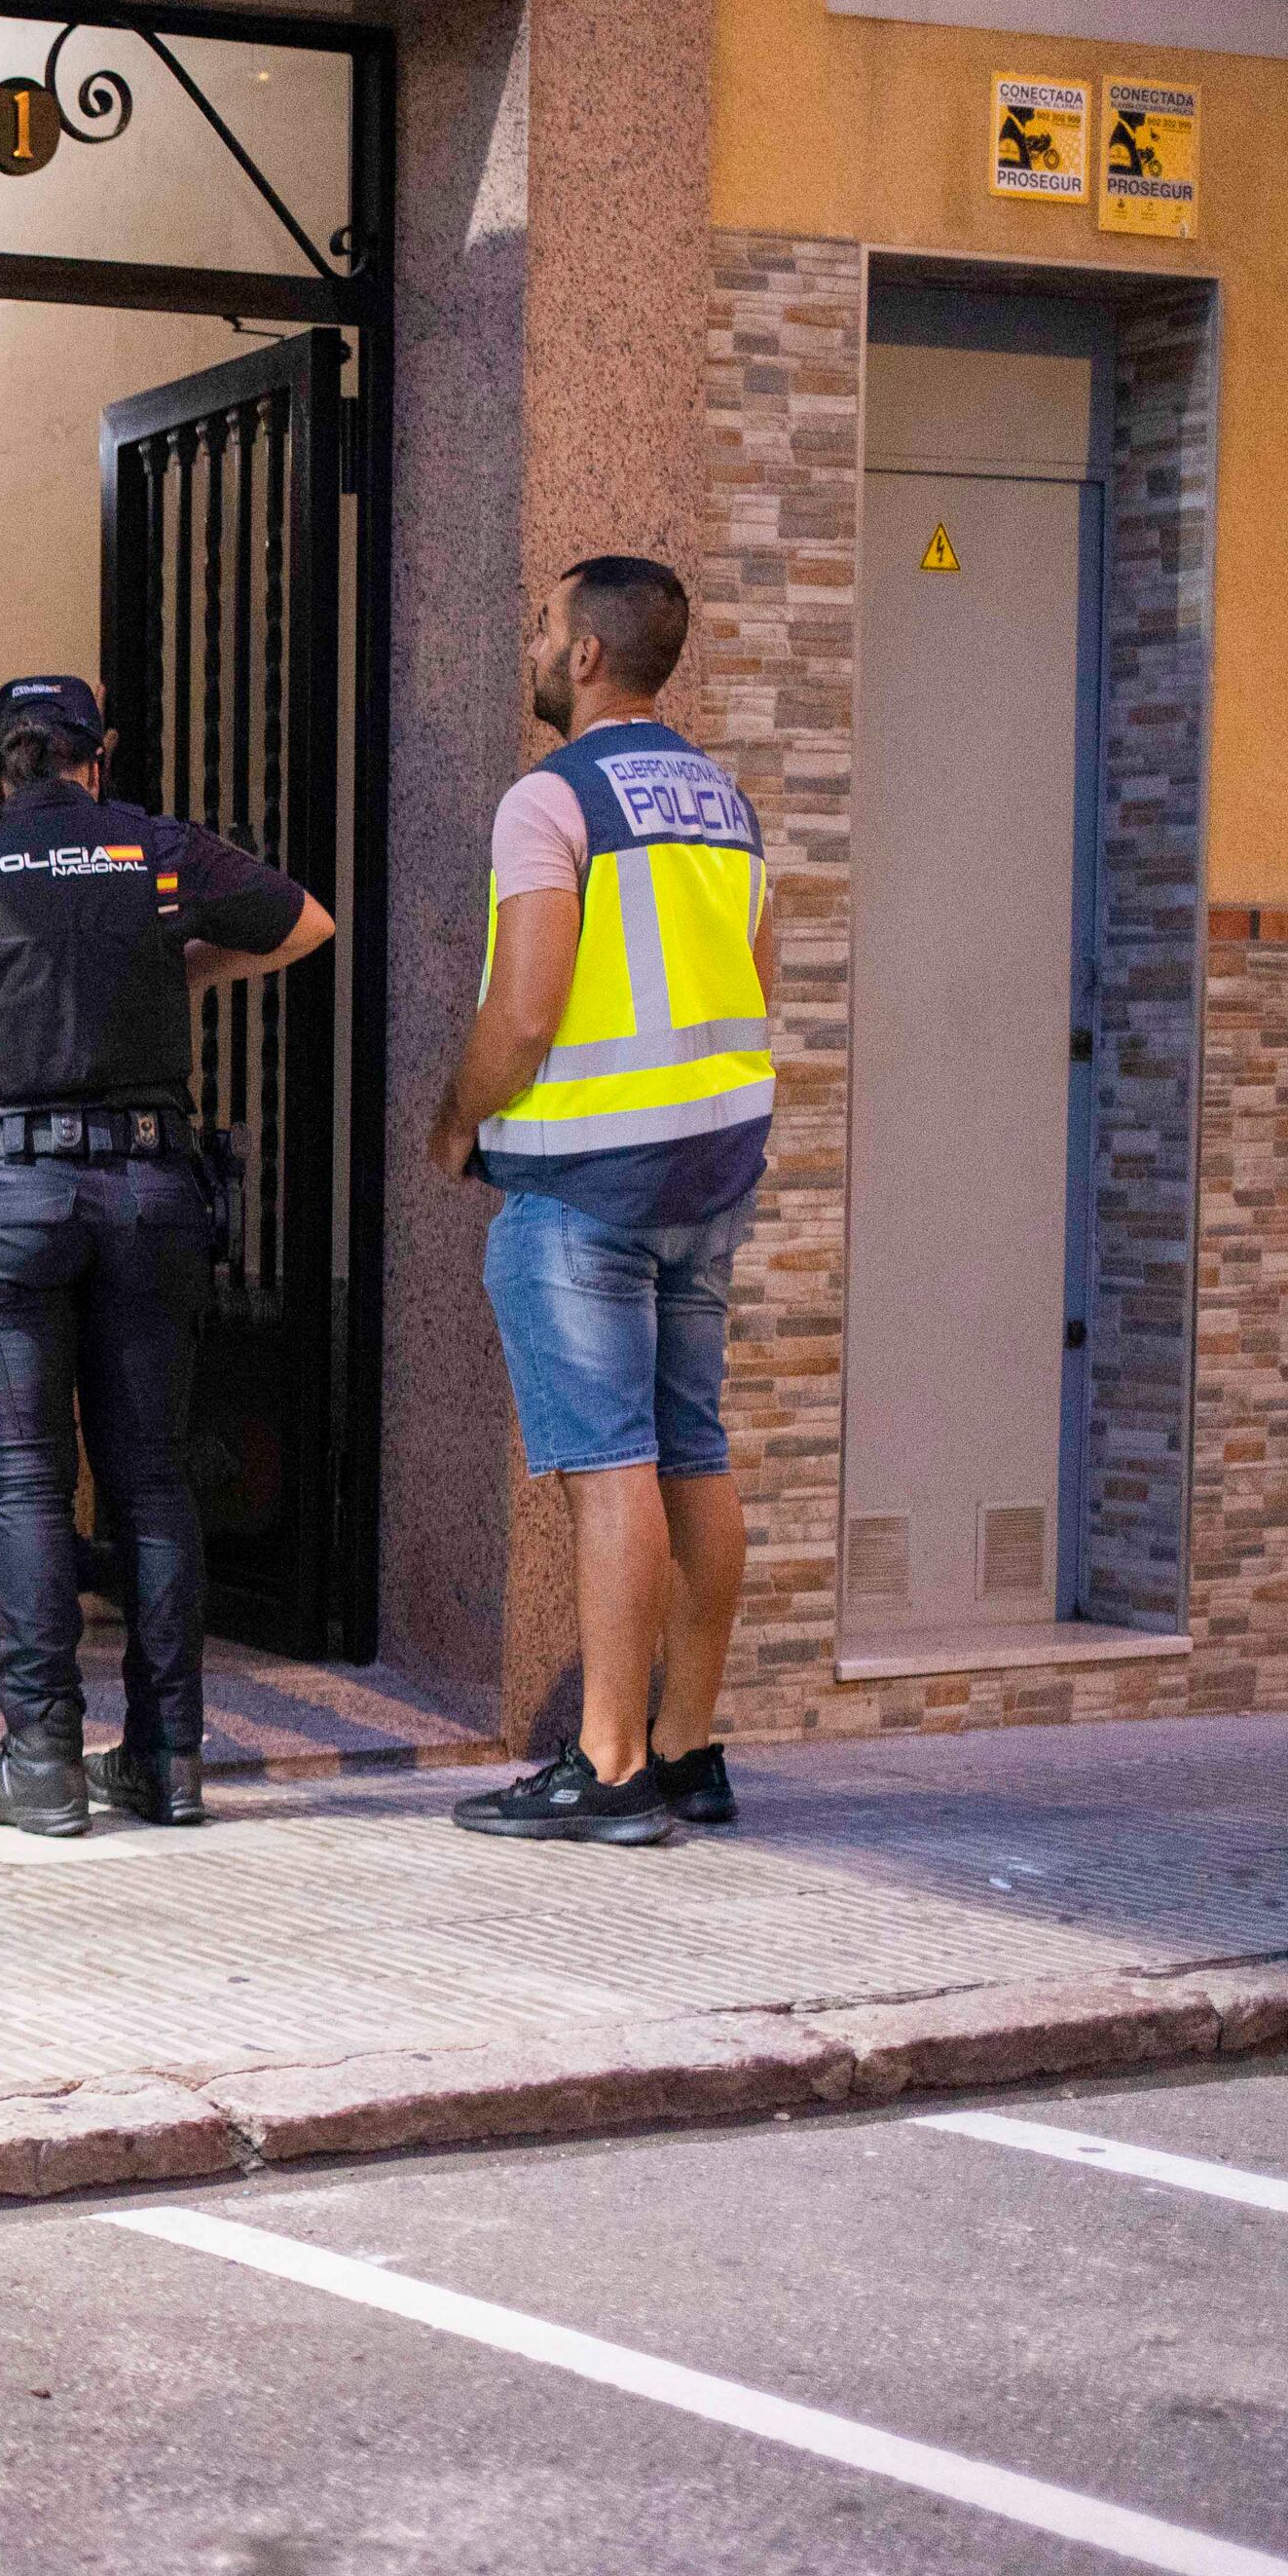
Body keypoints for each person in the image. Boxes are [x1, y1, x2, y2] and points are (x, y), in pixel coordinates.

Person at [0, 674, 333, 1835]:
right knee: (150, 1477)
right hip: (153, 1190)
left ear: (1, 765)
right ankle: (164, 1760)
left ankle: (41, 1760)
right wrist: (182, 970)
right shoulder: (155, 855)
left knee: (24, 1485)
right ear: (92, 758)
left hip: (9, 1194)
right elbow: (305, 924)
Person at [423, 555, 777, 1847]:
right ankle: (688, 1747)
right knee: (693, 1445)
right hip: (711, 1171)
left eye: (539, 622)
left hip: (585, 1181)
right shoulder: (726, 803)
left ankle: (611, 1766)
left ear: (585, 656)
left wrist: (460, 1118)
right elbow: (754, 974)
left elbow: (527, 1002)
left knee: (609, 1463)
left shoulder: (551, 799)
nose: (529, 641)